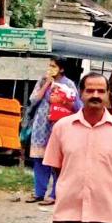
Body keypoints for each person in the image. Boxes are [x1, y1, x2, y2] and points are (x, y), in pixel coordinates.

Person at [44, 73, 112, 223]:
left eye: (101, 91)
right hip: (67, 215)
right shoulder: (62, 128)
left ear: (108, 95)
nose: (95, 95)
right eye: (90, 90)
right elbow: (58, 168)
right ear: (81, 93)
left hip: (105, 215)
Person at [26, 57, 81, 206]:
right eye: (49, 66)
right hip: (41, 126)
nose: (50, 68)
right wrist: (47, 84)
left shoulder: (68, 84)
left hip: (59, 126)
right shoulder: (43, 80)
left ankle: (55, 194)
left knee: (57, 161)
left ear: (61, 69)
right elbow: (33, 100)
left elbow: (77, 106)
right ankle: (39, 192)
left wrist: (62, 99)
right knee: (39, 159)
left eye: (53, 66)